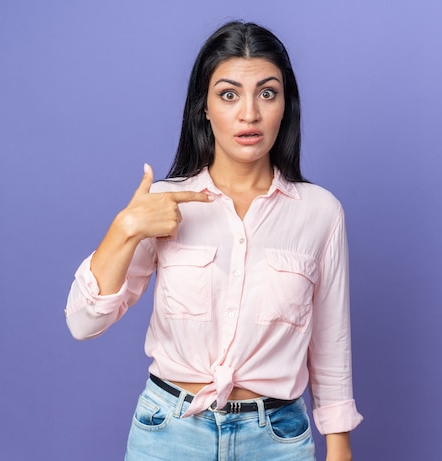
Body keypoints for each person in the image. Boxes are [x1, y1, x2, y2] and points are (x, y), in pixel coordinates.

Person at [65, 20, 363, 461]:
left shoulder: (319, 212)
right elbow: (82, 324)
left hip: (277, 441)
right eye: (228, 94)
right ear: (203, 108)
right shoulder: (164, 204)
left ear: (286, 106)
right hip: (169, 434)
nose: (249, 113)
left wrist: (339, 447)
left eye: (267, 93)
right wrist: (125, 227)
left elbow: (331, 342)